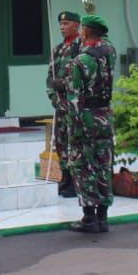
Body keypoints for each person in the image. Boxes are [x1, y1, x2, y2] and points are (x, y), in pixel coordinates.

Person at [67, 14, 116, 233]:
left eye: (82, 30)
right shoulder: (110, 54)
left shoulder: (80, 61)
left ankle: (89, 218)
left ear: (85, 32)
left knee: (84, 166)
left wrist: (74, 127)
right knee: (103, 164)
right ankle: (103, 218)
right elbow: (106, 43)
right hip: (105, 115)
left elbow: (74, 98)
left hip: (86, 117)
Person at [46, 10, 82, 198]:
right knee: (61, 142)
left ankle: (76, 181)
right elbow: (50, 77)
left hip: (75, 104)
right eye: (61, 24)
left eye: (66, 23)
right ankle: (65, 177)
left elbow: (82, 77)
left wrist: (67, 90)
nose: (62, 27)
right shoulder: (58, 49)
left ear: (76, 25)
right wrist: (53, 96)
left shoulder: (81, 48)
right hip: (60, 106)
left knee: (74, 142)